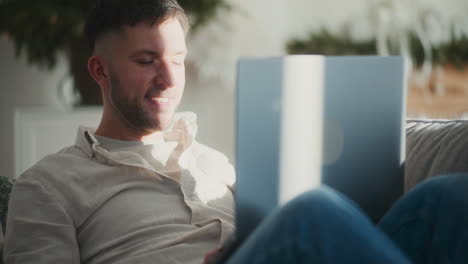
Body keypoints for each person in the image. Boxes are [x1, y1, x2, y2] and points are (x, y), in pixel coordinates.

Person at [4, 0, 468, 264]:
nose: (168, 80)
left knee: (446, 198)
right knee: (311, 214)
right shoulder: (47, 185)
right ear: (99, 71)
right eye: (146, 62)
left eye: (178, 62)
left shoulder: (215, 162)